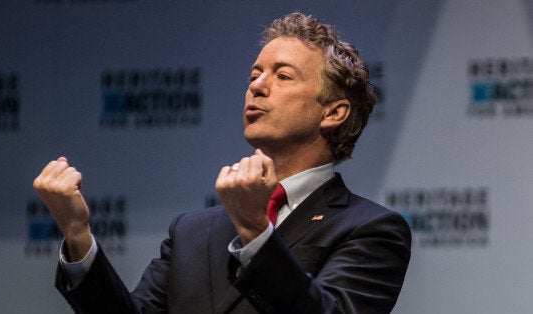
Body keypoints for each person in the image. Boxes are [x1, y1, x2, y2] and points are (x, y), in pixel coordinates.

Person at [34, 12, 411, 313]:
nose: (257, 86)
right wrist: (77, 233)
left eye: (283, 75)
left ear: (333, 113)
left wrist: (254, 231)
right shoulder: (191, 231)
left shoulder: (371, 229)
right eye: (255, 74)